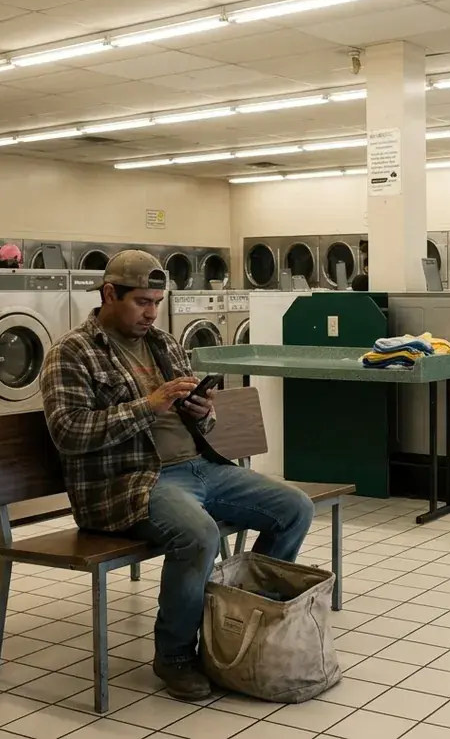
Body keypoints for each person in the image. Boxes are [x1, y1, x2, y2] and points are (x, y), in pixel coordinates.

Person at [39, 250, 315, 702]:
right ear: (109, 294)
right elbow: (69, 432)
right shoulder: (72, 352)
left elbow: (203, 423)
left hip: (201, 467)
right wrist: (148, 406)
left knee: (294, 508)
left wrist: (203, 412)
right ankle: (175, 655)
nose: (151, 313)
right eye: (141, 302)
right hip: (131, 481)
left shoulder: (164, 344)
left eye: (157, 302)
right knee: (198, 535)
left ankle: (240, 624)